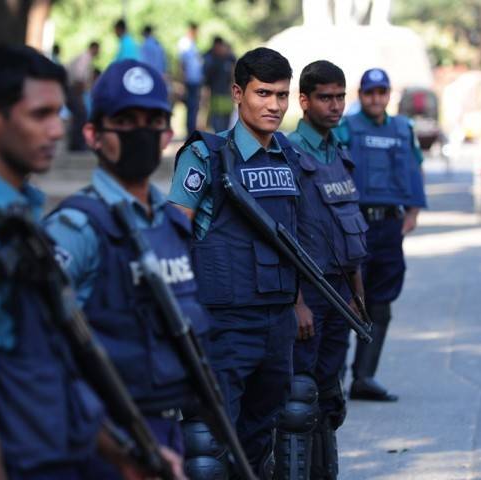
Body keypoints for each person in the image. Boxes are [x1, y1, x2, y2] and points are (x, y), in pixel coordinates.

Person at [0, 44, 176, 480]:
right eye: (40, 115)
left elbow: (55, 370)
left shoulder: (18, 221)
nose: (55, 130)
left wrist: (124, 455)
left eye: (59, 114)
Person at [44, 59, 209, 479]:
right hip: (100, 439)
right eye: (126, 121)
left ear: (168, 135)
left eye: (153, 120)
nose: (141, 132)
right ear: (93, 135)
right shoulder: (76, 228)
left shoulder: (170, 224)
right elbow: (38, 353)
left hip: (168, 429)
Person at [169, 47, 299, 477]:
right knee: (211, 441)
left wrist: (299, 304)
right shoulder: (205, 156)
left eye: (282, 95)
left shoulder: (290, 157)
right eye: (264, 93)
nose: (274, 106)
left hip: (277, 320)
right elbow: (173, 236)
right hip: (223, 322)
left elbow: (294, 240)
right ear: (238, 93)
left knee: (264, 434)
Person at [276, 60, 369, 480]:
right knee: (300, 396)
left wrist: (357, 294)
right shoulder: (289, 156)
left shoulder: (340, 156)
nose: (334, 106)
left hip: (340, 295)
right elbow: (284, 237)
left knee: (330, 394)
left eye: (339, 97)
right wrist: (296, 303)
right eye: (325, 98)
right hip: (308, 294)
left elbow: (350, 233)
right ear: (304, 100)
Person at [334, 67, 427, 402]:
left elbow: (416, 167)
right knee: (347, 302)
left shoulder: (403, 128)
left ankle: (364, 377)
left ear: (389, 95)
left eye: (382, 92)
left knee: (381, 303)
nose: (376, 98)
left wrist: (413, 211)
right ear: (361, 96)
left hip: (389, 225)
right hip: (355, 223)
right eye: (369, 92)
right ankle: (332, 378)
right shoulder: (347, 128)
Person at [67, 41, 100, 151]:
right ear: (94, 48)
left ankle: (76, 144)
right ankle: (77, 145)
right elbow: (79, 77)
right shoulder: (85, 58)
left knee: (79, 116)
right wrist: (80, 95)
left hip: (74, 89)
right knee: (81, 115)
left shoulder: (86, 58)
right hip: (74, 90)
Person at [203, 36, 236, 133]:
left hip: (227, 96)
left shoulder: (230, 58)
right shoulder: (211, 60)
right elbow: (207, 81)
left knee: (226, 122)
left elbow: (234, 75)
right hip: (215, 96)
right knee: (217, 123)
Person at [178, 22, 203, 136]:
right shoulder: (185, 44)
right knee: (191, 106)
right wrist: (183, 81)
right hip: (189, 80)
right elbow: (182, 63)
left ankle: (191, 129)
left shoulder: (193, 44)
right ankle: (189, 131)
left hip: (196, 80)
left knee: (194, 106)